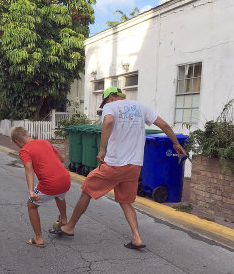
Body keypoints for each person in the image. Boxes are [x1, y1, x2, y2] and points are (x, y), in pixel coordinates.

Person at [49, 87, 188, 249]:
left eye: (106, 100)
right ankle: (137, 238)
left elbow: (108, 122)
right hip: (134, 166)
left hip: (114, 164)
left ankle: (70, 226)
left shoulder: (110, 107)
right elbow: (163, 125)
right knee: (125, 201)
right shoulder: (141, 107)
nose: (106, 103)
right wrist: (176, 144)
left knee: (87, 189)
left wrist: (102, 149)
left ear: (110, 98)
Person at [11, 126, 71, 248]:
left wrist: (31, 191)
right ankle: (64, 220)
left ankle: (38, 239)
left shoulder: (24, 150)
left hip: (50, 183)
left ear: (17, 140)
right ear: (27, 134)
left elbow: (29, 170)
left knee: (31, 205)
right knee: (59, 196)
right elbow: (62, 159)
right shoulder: (44, 142)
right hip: (65, 179)